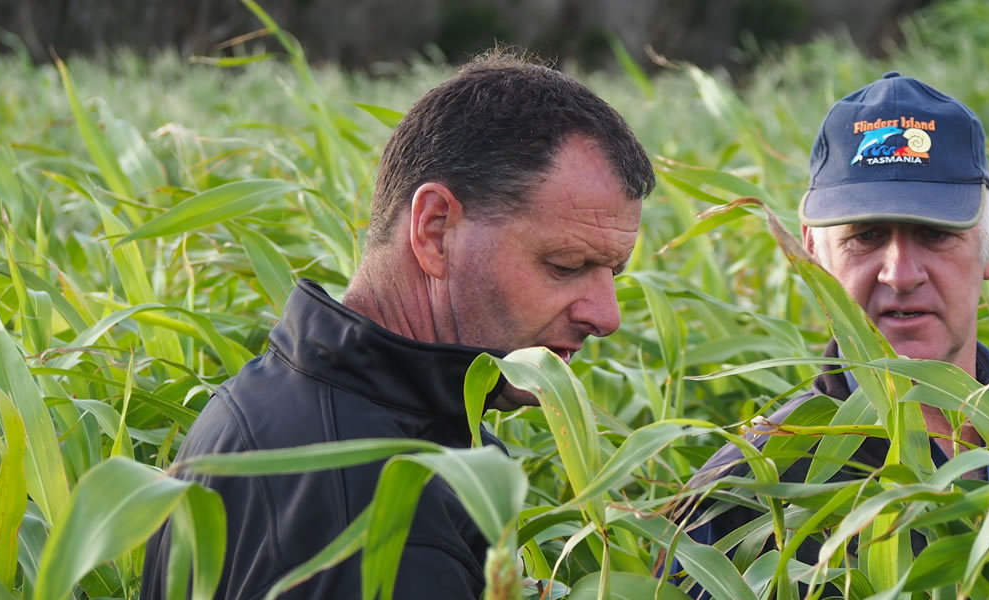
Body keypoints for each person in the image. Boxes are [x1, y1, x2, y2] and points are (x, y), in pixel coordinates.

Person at [141, 50, 655, 599]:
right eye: (567, 266)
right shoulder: (386, 517)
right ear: (435, 230)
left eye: (615, 273)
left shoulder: (260, 404)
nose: (607, 316)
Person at [677, 71, 989, 591]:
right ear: (811, 251)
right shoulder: (747, 490)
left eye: (935, 234)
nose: (901, 274)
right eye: (865, 236)